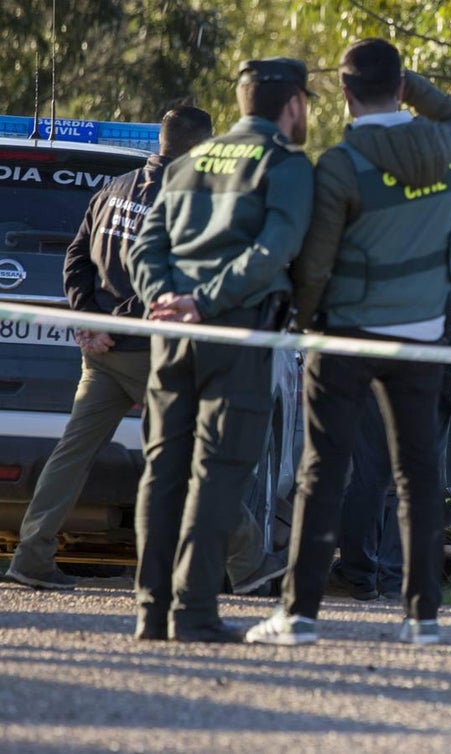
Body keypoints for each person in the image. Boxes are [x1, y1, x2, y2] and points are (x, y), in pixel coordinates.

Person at [245, 38, 451, 647]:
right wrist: (407, 80)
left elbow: (316, 263)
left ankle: (299, 616)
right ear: (400, 88)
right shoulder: (448, 146)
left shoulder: (340, 164)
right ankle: (422, 618)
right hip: (422, 338)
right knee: (418, 474)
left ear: (345, 93)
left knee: (324, 471)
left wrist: (307, 320)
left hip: (346, 335)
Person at [5, 106, 284, 598]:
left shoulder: (114, 189)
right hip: (152, 352)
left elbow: (76, 258)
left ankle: (32, 557)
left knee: (73, 453)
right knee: (198, 456)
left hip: (101, 350)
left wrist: (90, 320)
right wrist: (113, 322)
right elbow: (165, 280)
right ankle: (249, 563)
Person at [127, 59, 315, 642]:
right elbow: (275, 248)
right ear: (293, 105)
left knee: (163, 470)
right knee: (218, 471)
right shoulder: (284, 164)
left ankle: (151, 613)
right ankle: (194, 613)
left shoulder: (190, 161)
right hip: (235, 334)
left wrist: (165, 298)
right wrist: (205, 302)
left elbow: (145, 246)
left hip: (171, 335)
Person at [327, 188, 451, 603]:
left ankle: (357, 574)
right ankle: (396, 577)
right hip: (434, 354)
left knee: (368, 472)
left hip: (375, 348)